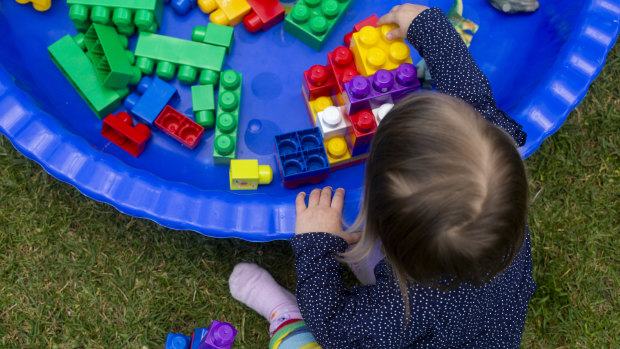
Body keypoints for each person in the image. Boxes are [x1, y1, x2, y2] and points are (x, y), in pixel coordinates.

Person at [229, 4, 535, 348]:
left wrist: (317, 244)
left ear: (389, 234)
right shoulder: (498, 206)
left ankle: (284, 314)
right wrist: (425, 27)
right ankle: (366, 260)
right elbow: (470, 94)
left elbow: (336, 327)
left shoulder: (400, 312)